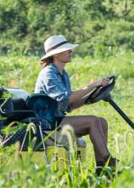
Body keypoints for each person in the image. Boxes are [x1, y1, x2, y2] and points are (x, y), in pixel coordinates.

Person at [33, 34, 116, 170]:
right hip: (47, 121)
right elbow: (65, 98)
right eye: (66, 49)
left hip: (58, 118)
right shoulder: (48, 73)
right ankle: (109, 160)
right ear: (55, 54)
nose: (70, 51)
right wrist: (93, 85)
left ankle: (102, 168)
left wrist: (89, 98)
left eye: (70, 49)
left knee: (102, 122)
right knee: (93, 121)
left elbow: (69, 105)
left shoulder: (63, 74)